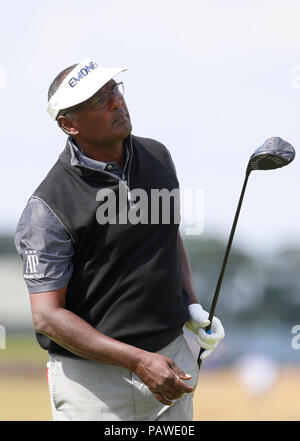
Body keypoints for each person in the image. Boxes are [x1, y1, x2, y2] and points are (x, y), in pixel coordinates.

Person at [15, 58, 225, 421]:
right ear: (69, 124)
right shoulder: (49, 206)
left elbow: (167, 233)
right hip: (93, 386)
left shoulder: (157, 156)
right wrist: (139, 360)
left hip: (171, 362)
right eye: (98, 100)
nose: (116, 102)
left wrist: (189, 304)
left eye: (114, 90)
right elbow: (47, 317)